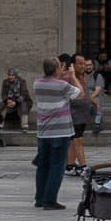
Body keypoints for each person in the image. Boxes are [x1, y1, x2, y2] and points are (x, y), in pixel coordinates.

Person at [31, 56, 77, 208]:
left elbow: (53, 84)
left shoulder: (37, 83)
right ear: (57, 68)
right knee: (57, 166)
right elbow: (80, 94)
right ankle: (49, 200)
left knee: (43, 165)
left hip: (43, 132)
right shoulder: (62, 85)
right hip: (60, 132)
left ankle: (39, 198)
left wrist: (61, 76)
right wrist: (72, 76)